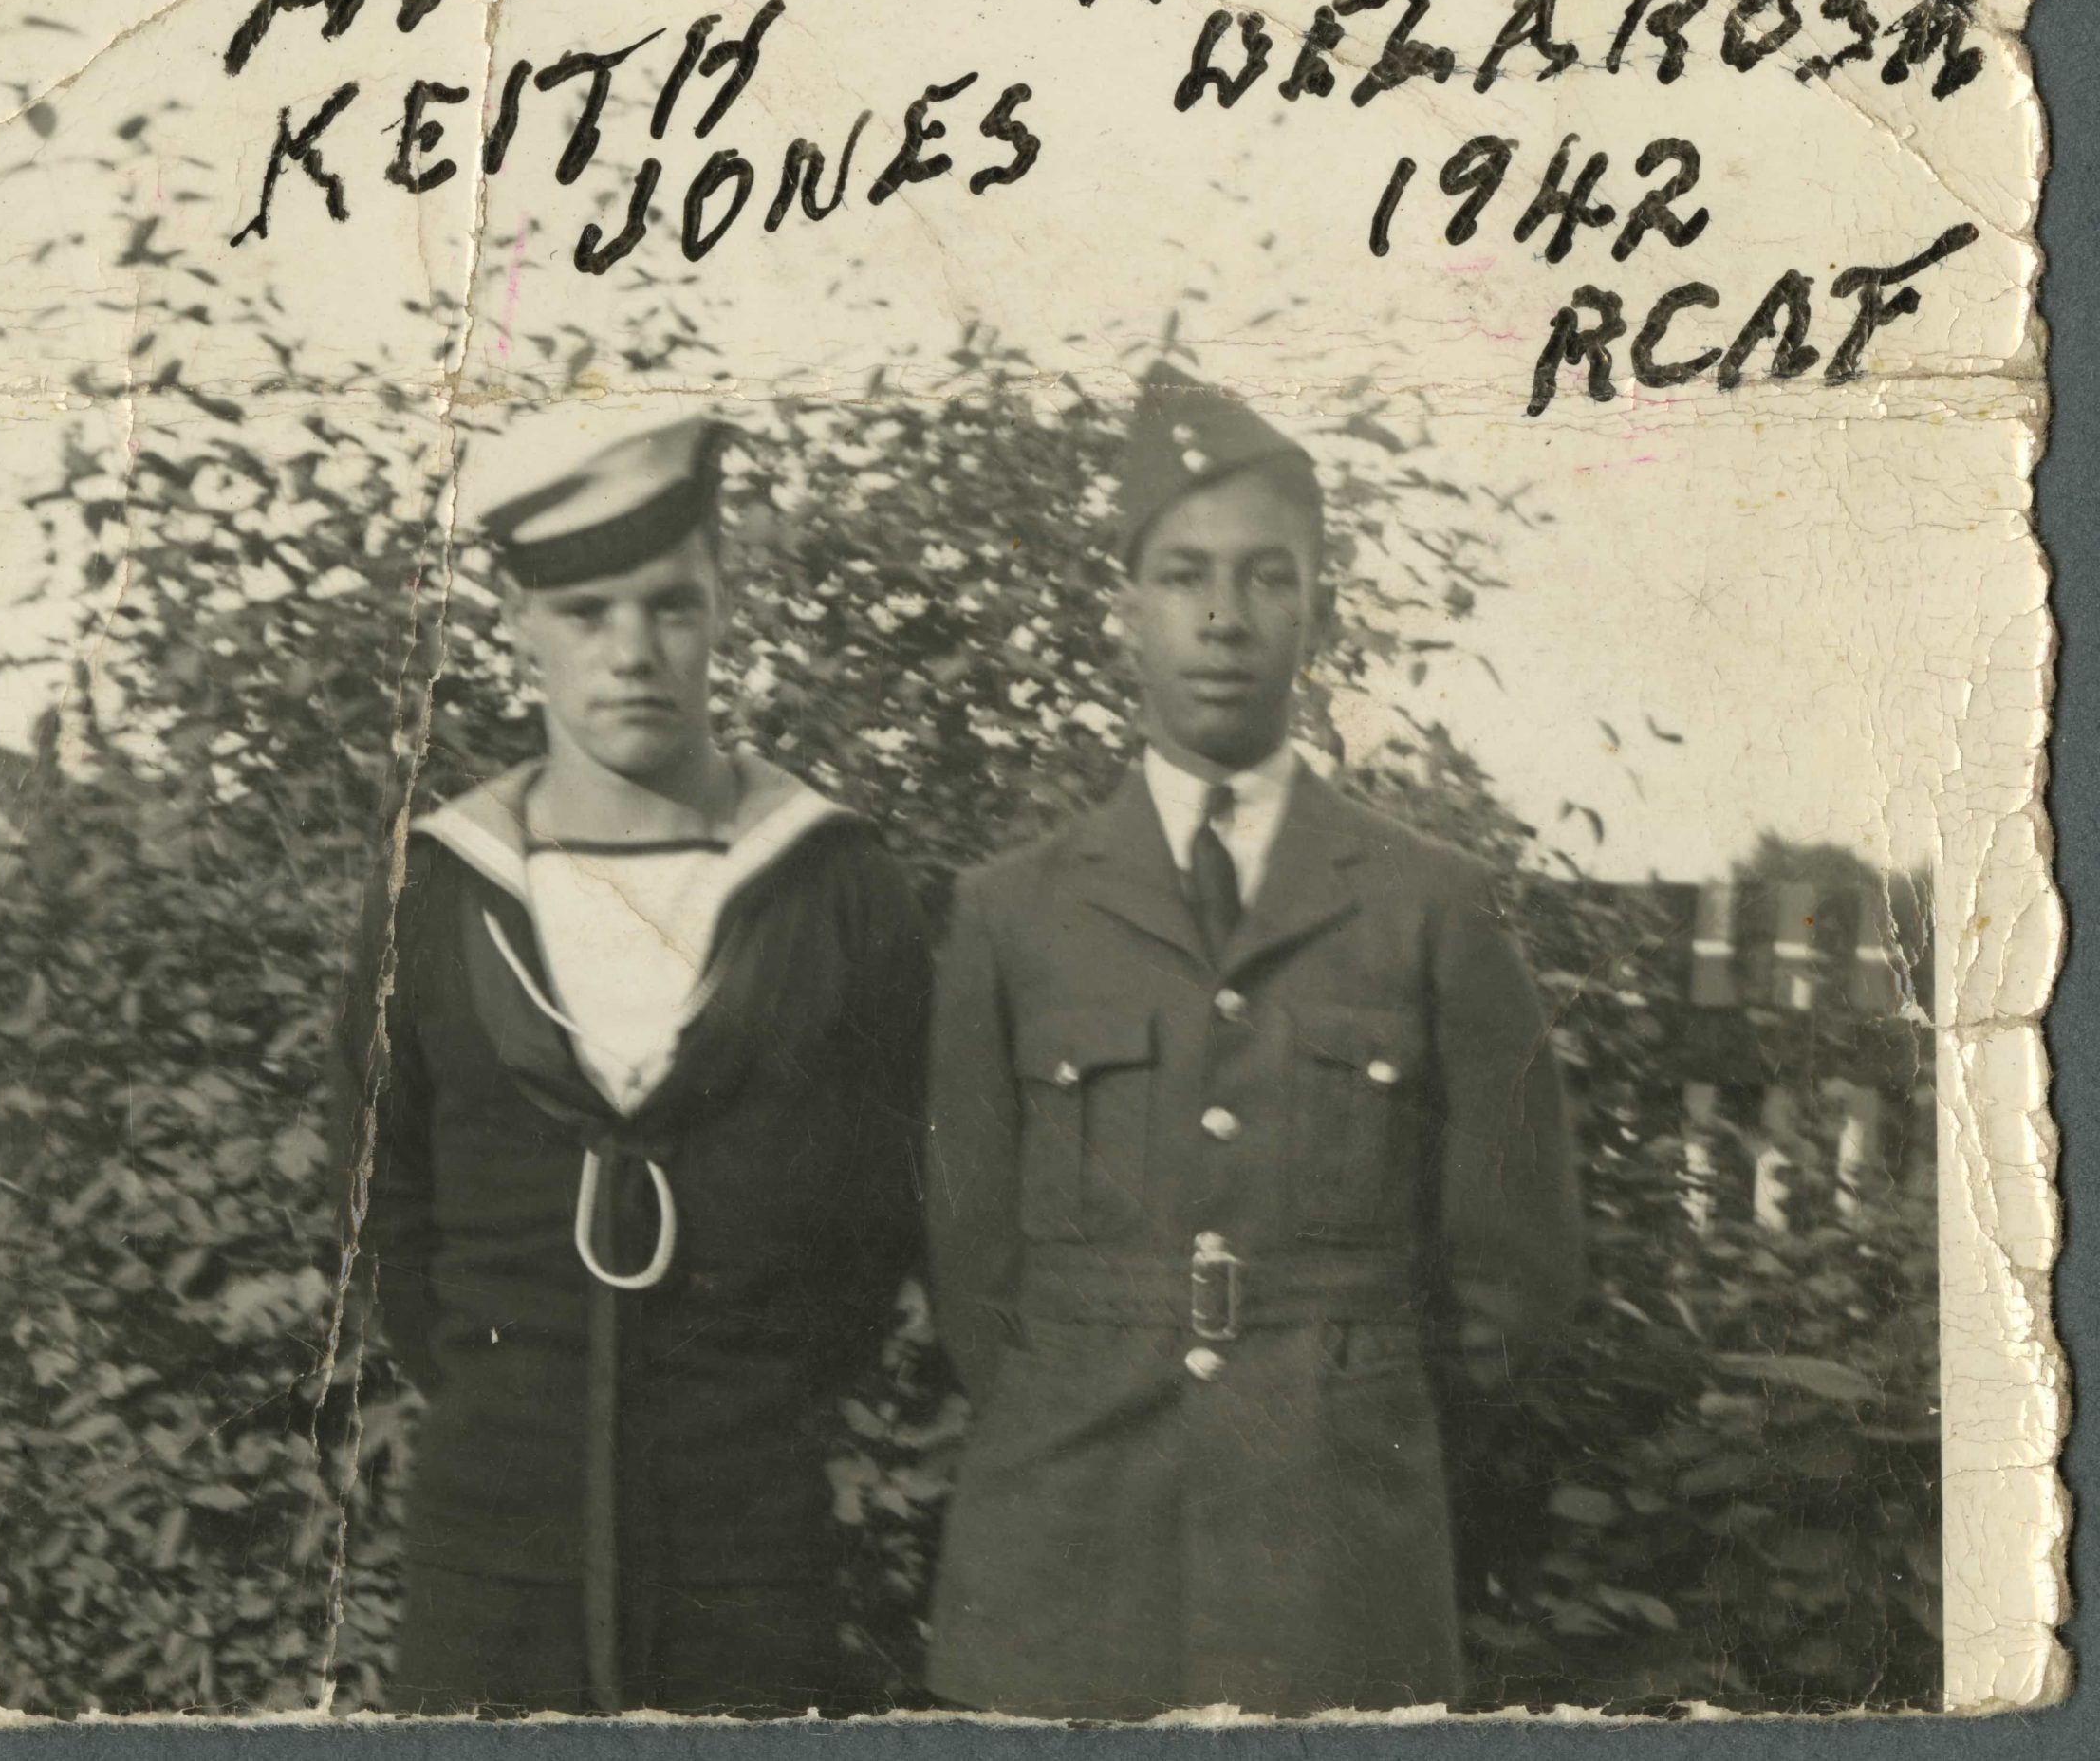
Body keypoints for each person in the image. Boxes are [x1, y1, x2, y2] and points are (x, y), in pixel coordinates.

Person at [924, 371, 1584, 1719]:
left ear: (1316, 610)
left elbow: (1516, 1268)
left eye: (1265, 576)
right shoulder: (1011, 913)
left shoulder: (1428, 906)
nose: (1223, 615)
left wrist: (1358, 1407)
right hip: (1065, 1551)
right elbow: (971, 1264)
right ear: (1125, 611)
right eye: (1182, 575)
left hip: (1335, 1556)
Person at [334, 400, 929, 1717]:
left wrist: (735, 1400)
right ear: (517, 623)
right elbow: (388, 1212)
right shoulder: (437, 890)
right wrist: (517, 1393)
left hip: (746, 1546)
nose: (632, 652)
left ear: (723, 603)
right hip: (496, 1554)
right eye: (587, 611)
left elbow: (873, 1219)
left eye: (670, 605)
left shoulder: (834, 882)